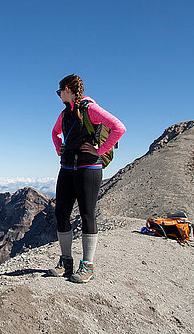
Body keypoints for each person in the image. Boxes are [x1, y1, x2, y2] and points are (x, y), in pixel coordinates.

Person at [47, 74, 126, 283]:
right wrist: (59, 149)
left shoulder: (89, 109)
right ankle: (66, 261)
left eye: (59, 92)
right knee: (61, 213)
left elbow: (119, 128)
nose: (59, 96)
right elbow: (54, 133)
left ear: (67, 90)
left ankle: (87, 265)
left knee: (87, 214)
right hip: (67, 168)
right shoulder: (65, 114)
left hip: (88, 168)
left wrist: (100, 150)